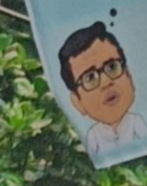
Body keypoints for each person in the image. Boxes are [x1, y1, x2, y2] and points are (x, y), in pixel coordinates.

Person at [57, 19, 140, 164]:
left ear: (129, 75)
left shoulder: (139, 125)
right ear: (77, 101)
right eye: (89, 77)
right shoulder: (91, 140)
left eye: (112, 67)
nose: (106, 82)